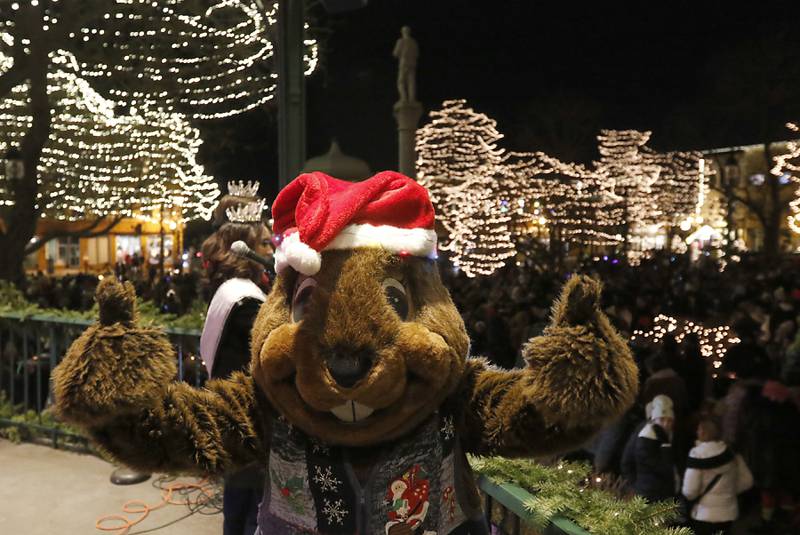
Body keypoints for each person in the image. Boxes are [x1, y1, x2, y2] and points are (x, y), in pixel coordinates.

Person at [199, 181, 272, 535]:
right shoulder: (246, 301)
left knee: (237, 502)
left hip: (232, 417)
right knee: (252, 513)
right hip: (249, 422)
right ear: (244, 248)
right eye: (264, 243)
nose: (272, 247)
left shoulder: (229, 289)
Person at [682, 418, 753, 535]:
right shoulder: (731, 453)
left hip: (704, 514)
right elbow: (748, 480)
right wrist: (729, 490)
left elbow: (690, 491)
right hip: (728, 512)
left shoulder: (697, 455)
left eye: (698, 429)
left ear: (703, 432)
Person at [622, 395, 679, 503]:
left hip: (664, 493)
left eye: (669, 420)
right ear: (654, 419)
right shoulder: (646, 436)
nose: (666, 424)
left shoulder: (672, 435)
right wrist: (635, 486)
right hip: (649, 494)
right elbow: (627, 461)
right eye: (662, 419)